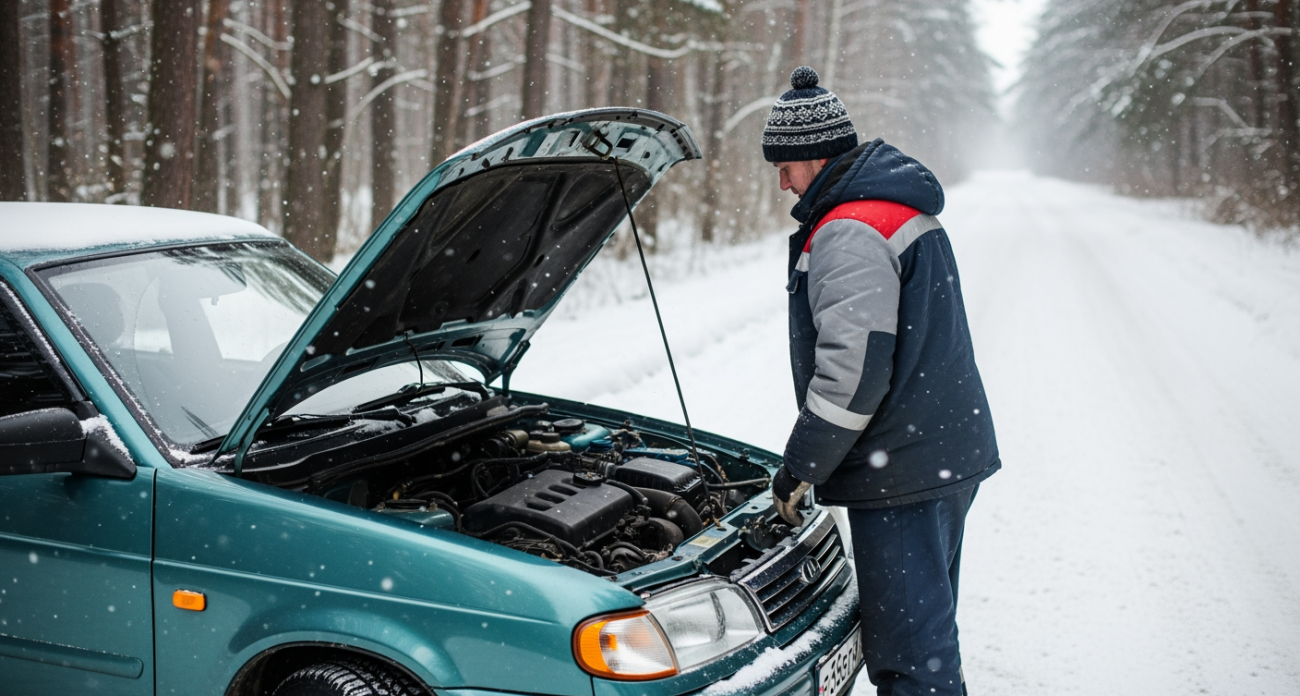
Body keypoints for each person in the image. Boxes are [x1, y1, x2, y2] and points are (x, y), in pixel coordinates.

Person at [763, 66, 1000, 696]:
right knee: (928, 637)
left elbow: (853, 375)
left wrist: (800, 467)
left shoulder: (849, 226)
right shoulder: (896, 205)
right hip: (942, 453)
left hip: (900, 470)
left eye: (785, 165)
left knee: (908, 657)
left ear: (814, 155)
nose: (782, 181)